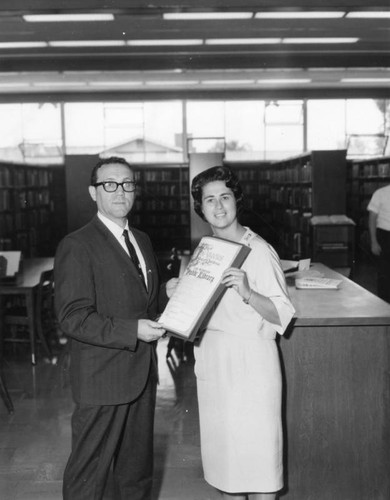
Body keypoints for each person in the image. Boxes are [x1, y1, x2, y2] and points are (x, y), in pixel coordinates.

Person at [54, 156, 177, 500]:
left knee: (135, 476)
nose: (120, 192)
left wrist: (167, 292)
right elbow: (73, 317)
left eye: (127, 184)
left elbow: (143, 303)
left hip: (141, 376)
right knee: (88, 478)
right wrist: (132, 331)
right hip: (102, 380)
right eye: (109, 184)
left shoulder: (141, 239)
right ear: (93, 193)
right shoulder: (77, 245)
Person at [190, 166, 295, 500]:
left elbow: (282, 314)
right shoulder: (205, 249)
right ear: (200, 208)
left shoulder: (259, 251)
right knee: (227, 469)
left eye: (225, 197)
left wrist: (249, 292)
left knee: (259, 465)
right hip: (215, 364)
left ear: (237, 201)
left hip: (251, 367)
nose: (218, 206)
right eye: (210, 200)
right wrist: (177, 292)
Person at [367, 183, 390, 303]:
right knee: (385, 273)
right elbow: (372, 218)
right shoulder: (380, 193)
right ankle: (384, 305)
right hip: (385, 236)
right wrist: (373, 241)